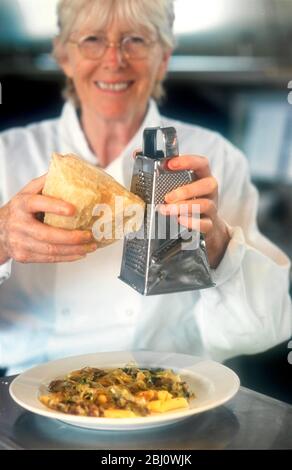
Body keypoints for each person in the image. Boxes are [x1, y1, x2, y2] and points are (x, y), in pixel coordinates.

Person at [0, 0, 291, 375]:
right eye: (91, 39)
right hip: (26, 393)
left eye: (135, 40)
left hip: (165, 392)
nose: (114, 60)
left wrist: (217, 244)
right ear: (63, 56)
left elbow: (268, 326)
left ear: (164, 58)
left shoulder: (215, 157)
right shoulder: (7, 155)